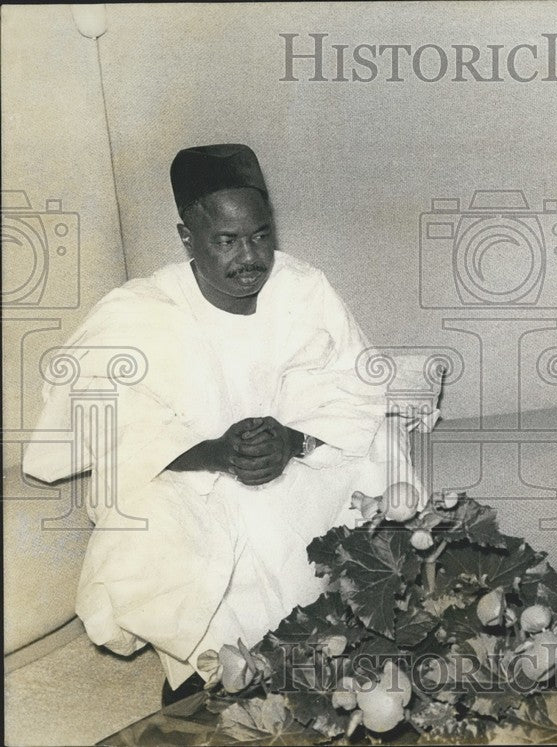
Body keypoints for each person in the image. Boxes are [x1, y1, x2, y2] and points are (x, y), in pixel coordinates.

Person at [22, 144, 420, 705]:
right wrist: (210, 453)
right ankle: (204, 669)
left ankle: (336, 643)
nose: (251, 256)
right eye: (227, 241)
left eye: (260, 235)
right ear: (188, 239)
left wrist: (294, 438)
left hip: (294, 468)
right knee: (155, 515)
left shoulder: (302, 287)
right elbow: (92, 423)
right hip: (189, 477)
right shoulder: (137, 310)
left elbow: (352, 383)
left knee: (378, 441)